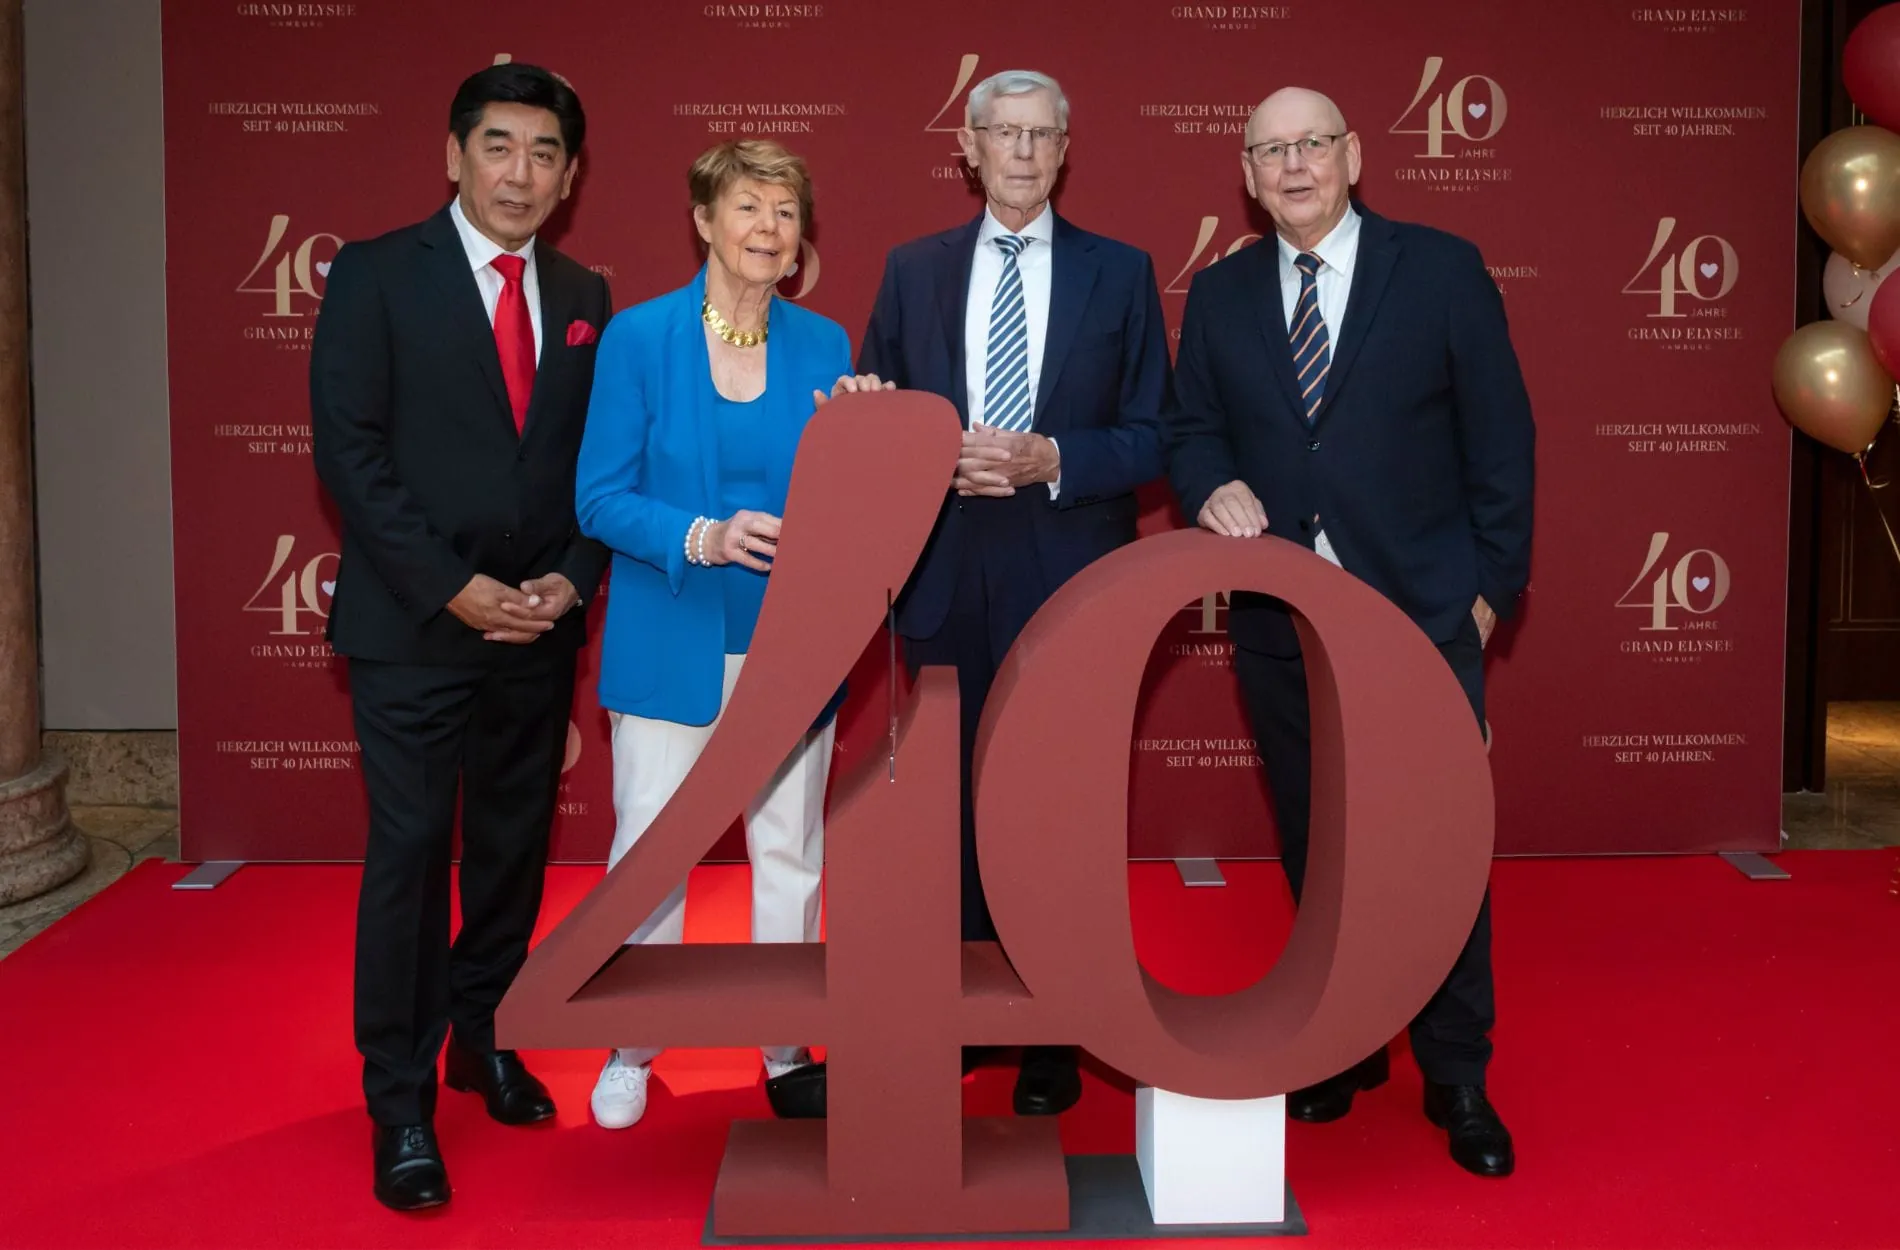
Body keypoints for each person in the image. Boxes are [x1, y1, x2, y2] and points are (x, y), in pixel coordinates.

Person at [1168, 87, 1534, 1178]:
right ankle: (1345, 1039)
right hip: (1281, 623)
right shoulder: (1222, 293)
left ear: (1353, 155)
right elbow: (1191, 430)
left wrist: (1485, 595)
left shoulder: (1442, 269)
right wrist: (1211, 483)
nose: (1294, 166)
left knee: (1436, 847)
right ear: (1246, 174)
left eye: (1312, 145)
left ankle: (1456, 1068)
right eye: (1270, 150)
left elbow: (1502, 440)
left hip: (1421, 614)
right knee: (1316, 841)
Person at [311, 63, 612, 1211]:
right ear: (454, 155)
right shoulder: (377, 273)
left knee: (509, 849)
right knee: (408, 852)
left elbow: (596, 464)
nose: (519, 173)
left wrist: (570, 578)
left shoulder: (583, 292)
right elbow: (350, 453)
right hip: (413, 628)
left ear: (569, 176)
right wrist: (453, 588)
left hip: (536, 627)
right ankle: (399, 1100)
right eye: (499, 146)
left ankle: (481, 1037)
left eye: (544, 152)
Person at [853, 70, 1170, 1116]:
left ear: (1066, 150)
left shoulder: (1121, 272)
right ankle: (960, 1013)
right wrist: (912, 448)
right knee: (945, 806)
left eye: (1042, 135)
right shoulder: (912, 271)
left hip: (1069, 572)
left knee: (1057, 805)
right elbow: (876, 413)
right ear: (969, 147)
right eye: (1004, 133)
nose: (1023, 152)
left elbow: (1153, 435)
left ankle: (1052, 1029)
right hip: (941, 569)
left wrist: (1052, 457)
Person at [574, 138, 867, 1131]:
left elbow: (846, 498)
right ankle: (632, 1042)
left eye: (785, 212)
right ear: (703, 220)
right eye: (747, 207)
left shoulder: (826, 345)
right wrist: (704, 536)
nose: (768, 229)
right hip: (672, 632)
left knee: (790, 847)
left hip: (794, 640)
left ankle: (785, 1043)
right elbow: (599, 497)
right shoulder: (639, 338)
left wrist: (866, 438)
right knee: (651, 845)